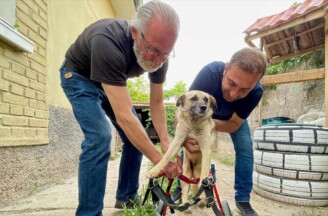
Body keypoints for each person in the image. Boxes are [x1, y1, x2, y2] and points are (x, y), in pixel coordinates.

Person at [59, 1, 182, 215]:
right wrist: (158, 161)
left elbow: (157, 102)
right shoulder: (107, 40)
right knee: (100, 137)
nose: (159, 60)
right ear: (135, 32)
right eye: (153, 50)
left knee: (137, 137)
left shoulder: (159, 54)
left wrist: (165, 144)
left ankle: (127, 198)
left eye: (166, 53)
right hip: (78, 77)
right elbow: (125, 117)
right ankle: (89, 212)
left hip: (109, 83)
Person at [174, 47, 266, 216]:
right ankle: (181, 187)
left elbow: (234, 124)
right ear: (225, 69)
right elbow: (182, 112)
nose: (233, 93)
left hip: (230, 119)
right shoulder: (209, 74)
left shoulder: (256, 92)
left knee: (245, 148)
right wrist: (185, 139)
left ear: (255, 84)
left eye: (244, 90)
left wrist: (208, 125)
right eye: (232, 83)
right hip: (201, 113)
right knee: (187, 143)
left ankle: (243, 199)